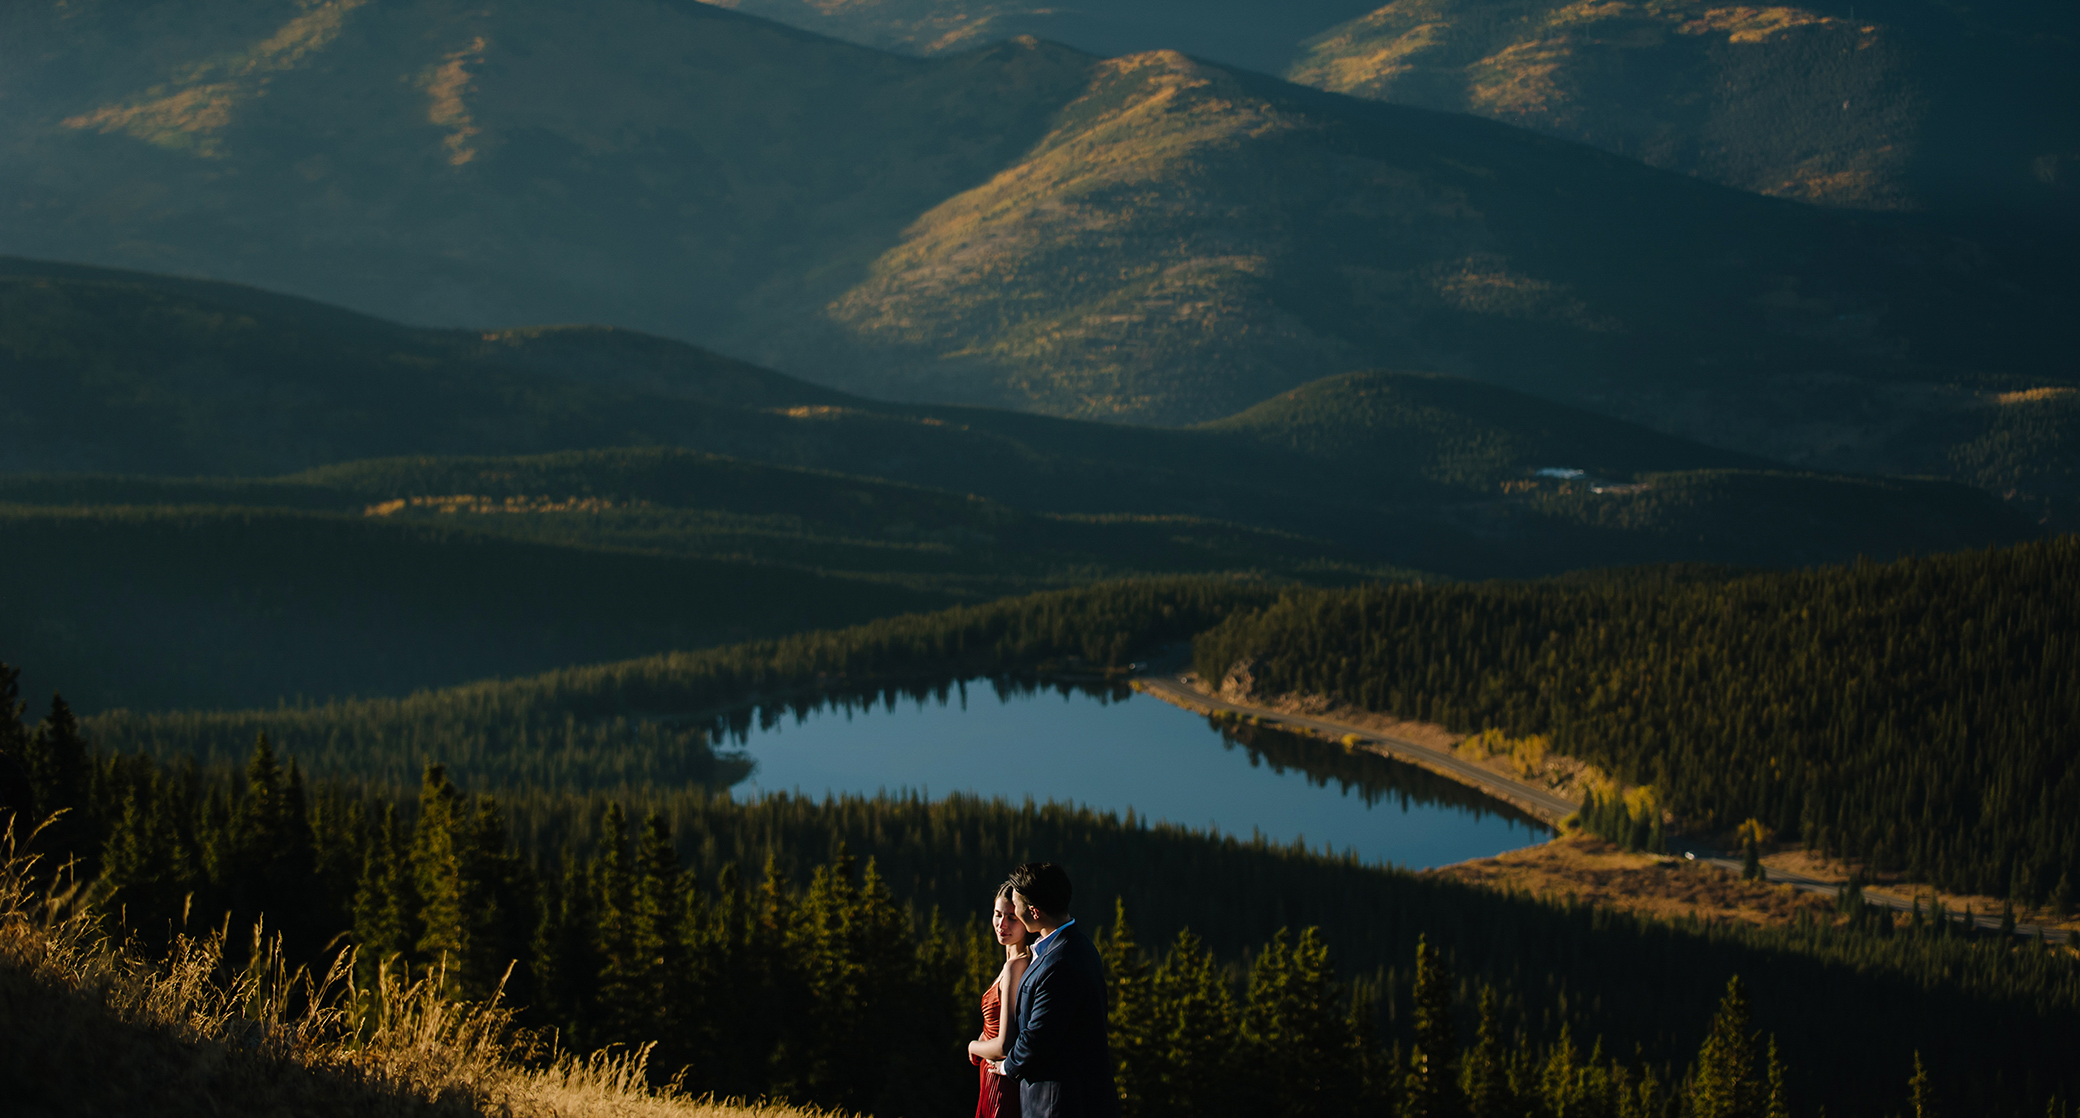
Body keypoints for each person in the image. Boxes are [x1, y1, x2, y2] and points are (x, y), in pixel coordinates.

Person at [989, 862, 1119, 1118]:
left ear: (1034, 912)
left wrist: (1007, 1067)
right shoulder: (1075, 945)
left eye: (1016, 906)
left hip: (1060, 1104)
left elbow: (1039, 1036)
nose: (1012, 910)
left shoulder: (1060, 962)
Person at [967, 883, 1034, 1118]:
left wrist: (973, 1046)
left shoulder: (1016, 966)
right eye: (998, 915)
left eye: (1011, 918)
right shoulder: (1011, 965)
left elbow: (1006, 1044)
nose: (1002, 924)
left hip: (1000, 1079)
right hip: (990, 1077)